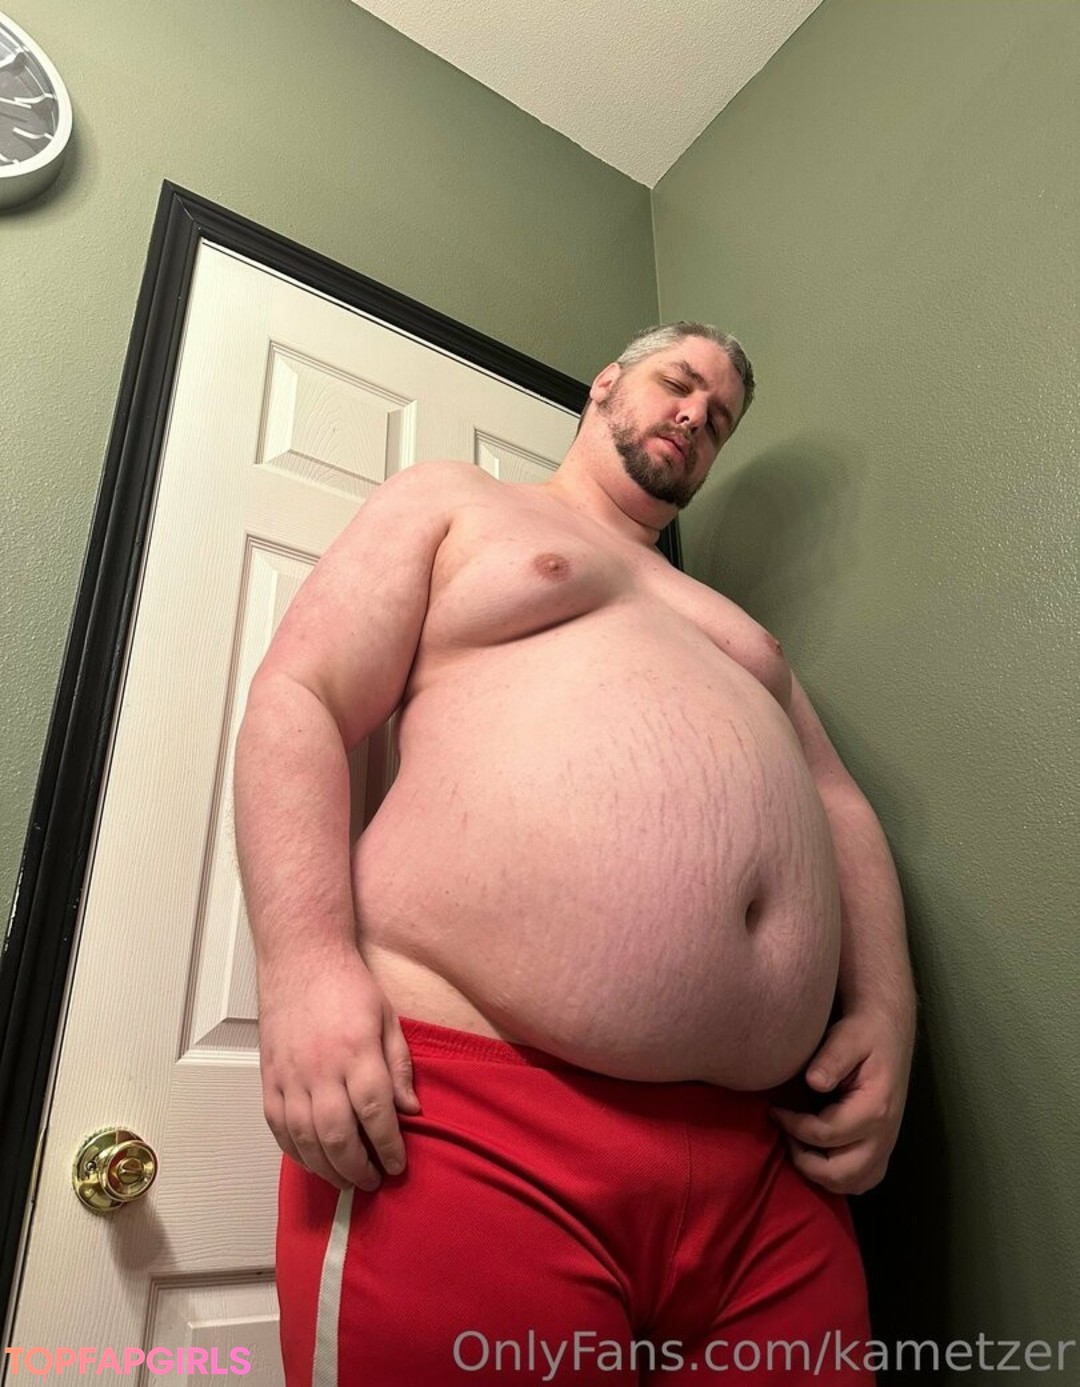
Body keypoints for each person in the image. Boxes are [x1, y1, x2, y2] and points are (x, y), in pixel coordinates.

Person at [234, 321, 916, 1386]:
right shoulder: (455, 501)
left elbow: (840, 807)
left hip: (768, 1165)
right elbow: (301, 697)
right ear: (606, 382)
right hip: (475, 1116)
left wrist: (886, 1010)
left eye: (720, 420)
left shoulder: (734, 625)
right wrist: (305, 963)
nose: (695, 417)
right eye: (679, 383)